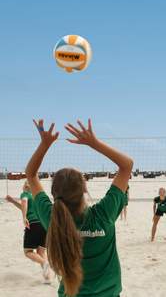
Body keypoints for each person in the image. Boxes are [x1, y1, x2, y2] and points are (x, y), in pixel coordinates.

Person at [25, 119, 133, 297]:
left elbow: (30, 174)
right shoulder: (103, 214)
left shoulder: (52, 217)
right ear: (84, 189)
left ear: (54, 193)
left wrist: (44, 144)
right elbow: (126, 165)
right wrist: (94, 143)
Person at [6, 181, 50, 283]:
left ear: (27, 187)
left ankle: (44, 263)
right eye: (25, 183)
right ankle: (47, 278)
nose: (25, 184)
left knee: (28, 252)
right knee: (41, 251)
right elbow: (23, 207)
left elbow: (25, 203)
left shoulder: (25, 194)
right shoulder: (36, 197)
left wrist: (24, 217)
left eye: (27, 183)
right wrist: (13, 201)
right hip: (43, 225)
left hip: (33, 224)